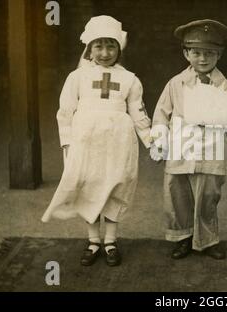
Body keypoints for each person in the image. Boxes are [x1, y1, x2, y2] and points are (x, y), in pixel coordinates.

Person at [41, 16, 152, 267]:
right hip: (85, 141)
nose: (105, 53)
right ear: (89, 48)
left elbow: (138, 113)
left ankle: (111, 241)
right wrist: (67, 142)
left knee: (116, 186)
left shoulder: (130, 79)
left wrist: (151, 141)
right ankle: (93, 240)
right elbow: (65, 112)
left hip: (118, 142)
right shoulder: (76, 78)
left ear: (119, 48)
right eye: (98, 46)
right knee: (88, 186)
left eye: (111, 46)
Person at [150, 19, 227, 260]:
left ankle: (208, 239)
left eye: (209, 53)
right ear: (186, 53)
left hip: (211, 149)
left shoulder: (224, 86)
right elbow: (161, 113)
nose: (203, 59)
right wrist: (159, 140)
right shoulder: (175, 83)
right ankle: (183, 237)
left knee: (208, 195)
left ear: (219, 55)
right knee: (177, 193)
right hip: (182, 147)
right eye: (197, 52)